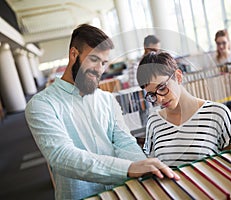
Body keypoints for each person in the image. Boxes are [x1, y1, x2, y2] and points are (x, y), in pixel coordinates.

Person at [25, 24, 179, 200]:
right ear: (74, 54)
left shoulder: (107, 99)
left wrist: (144, 167)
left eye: (104, 63)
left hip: (121, 193)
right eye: (94, 59)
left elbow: (125, 142)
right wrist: (129, 169)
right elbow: (62, 157)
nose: (99, 69)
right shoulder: (41, 105)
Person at [136, 51, 231, 168]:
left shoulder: (218, 113)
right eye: (152, 95)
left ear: (178, 77)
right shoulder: (154, 121)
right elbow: (154, 166)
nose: (159, 99)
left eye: (162, 87)